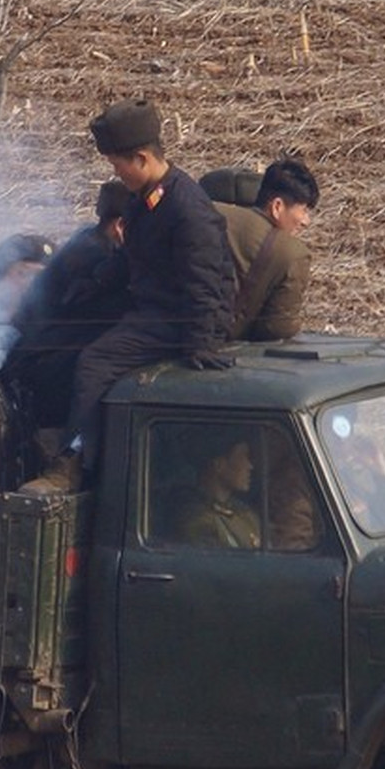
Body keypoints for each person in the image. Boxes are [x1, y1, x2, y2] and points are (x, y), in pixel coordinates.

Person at [22, 100, 238, 494]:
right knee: (62, 346)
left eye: (117, 164)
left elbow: (205, 283)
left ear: (140, 158)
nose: (115, 173)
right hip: (148, 308)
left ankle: (72, 463)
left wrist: (201, 344)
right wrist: (93, 287)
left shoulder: (187, 210)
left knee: (94, 363)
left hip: (174, 319)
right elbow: (132, 259)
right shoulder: (148, 199)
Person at [0, 180, 132, 440]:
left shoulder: (87, 242)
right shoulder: (94, 258)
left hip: (42, 365)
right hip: (46, 374)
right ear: (120, 226)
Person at [216, 157, 320, 342]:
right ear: (277, 207)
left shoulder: (202, 214)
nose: (306, 221)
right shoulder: (291, 253)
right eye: (303, 210)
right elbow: (278, 328)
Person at [174, 428, 262, 549]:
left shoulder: (244, 512)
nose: (250, 466)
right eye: (243, 457)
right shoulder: (199, 521)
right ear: (219, 465)